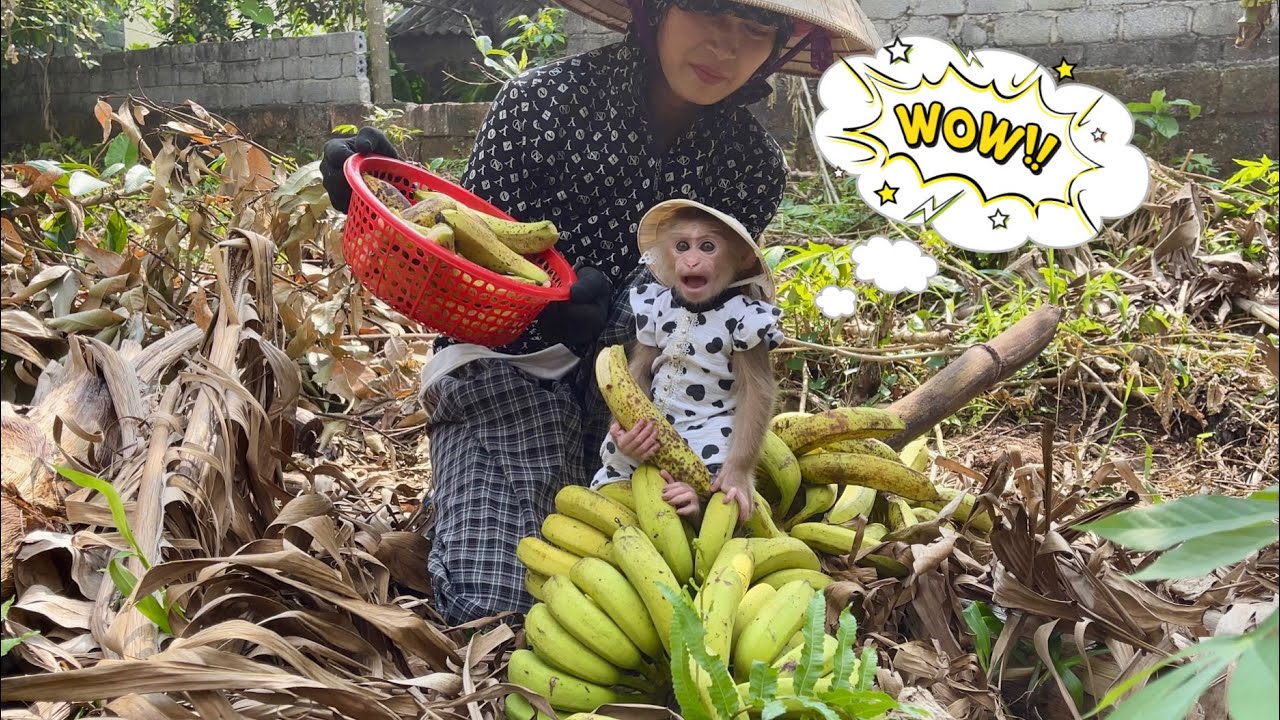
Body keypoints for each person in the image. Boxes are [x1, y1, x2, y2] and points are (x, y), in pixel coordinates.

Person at [319, 0, 881, 626]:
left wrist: (721, 462)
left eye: (755, 29)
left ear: (778, 47)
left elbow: (713, 324)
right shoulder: (542, 106)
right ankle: (473, 482)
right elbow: (466, 252)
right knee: (493, 610)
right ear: (657, 8)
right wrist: (396, 203)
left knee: (631, 601)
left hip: (648, 403)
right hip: (509, 372)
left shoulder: (749, 164)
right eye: (708, 11)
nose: (726, 47)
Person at [592, 199, 784, 526]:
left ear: (741, 257)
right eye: (682, 246)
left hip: (708, 426)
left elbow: (757, 393)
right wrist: (626, 429)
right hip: (653, 425)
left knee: (724, 491)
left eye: (707, 246)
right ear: (665, 255)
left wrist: (740, 467)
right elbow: (637, 374)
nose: (692, 260)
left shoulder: (744, 318)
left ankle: (697, 511)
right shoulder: (656, 305)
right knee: (617, 462)